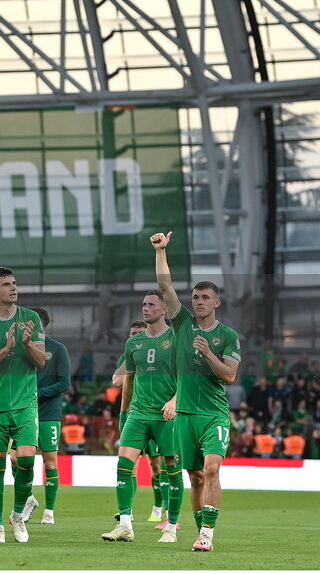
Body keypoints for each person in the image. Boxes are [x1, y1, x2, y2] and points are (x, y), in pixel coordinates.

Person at [153, 231, 241, 552]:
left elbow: (229, 376)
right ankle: (198, 528)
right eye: (196, 297)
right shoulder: (183, 324)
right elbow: (165, 287)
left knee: (212, 468)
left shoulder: (228, 336)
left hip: (213, 413)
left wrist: (208, 355)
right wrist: (161, 251)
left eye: (205, 298)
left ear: (216, 303)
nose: (198, 302)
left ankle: (207, 533)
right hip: (185, 414)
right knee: (195, 477)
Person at [102, 291, 184, 543]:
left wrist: (174, 401)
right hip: (138, 414)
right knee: (123, 465)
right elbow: (128, 379)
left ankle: (171, 527)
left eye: (151, 304)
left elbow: (188, 378)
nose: (145, 308)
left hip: (166, 416)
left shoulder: (177, 338)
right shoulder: (133, 344)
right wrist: (125, 413)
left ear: (164, 310)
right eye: (144, 304)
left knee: (172, 470)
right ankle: (125, 525)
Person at [0, 266, 45, 544]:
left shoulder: (31, 318)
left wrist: (27, 344)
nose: (13, 288)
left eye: (14, 283)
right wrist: (6, 348)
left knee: (26, 460)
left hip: (26, 403)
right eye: (6, 284)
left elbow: (40, 362)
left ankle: (16, 515)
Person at [15, 307, 71, 526]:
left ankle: (49, 511)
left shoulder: (57, 349)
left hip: (48, 414)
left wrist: (38, 394)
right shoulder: (20, 349)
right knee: (16, 458)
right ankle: (28, 499)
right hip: (22, 412)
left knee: (49, 463)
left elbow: (64, 383)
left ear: (40, 324)